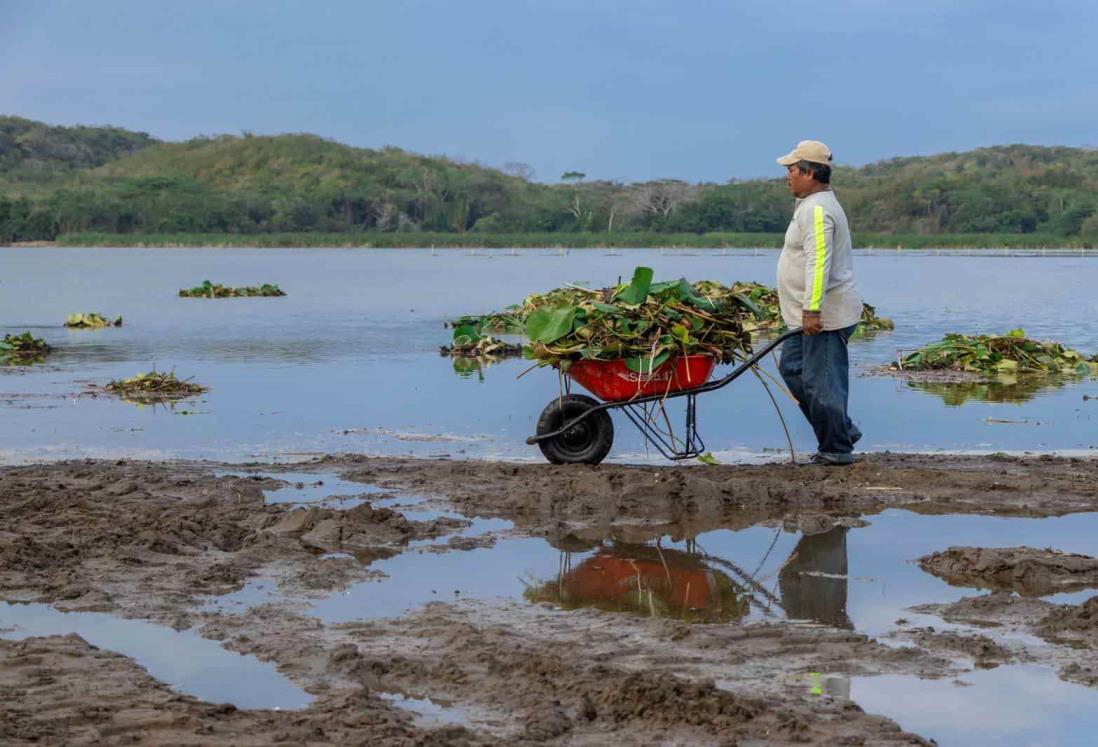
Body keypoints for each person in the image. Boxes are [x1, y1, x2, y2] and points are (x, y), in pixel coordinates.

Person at [774, 140, 862, 465]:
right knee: (792, 369)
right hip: (804, 317)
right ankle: (841, 431)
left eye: (792, 169)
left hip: (824, 317)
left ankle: (837, 450)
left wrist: (812, 309)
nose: (787, 175)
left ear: (810, 173)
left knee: (822, 384)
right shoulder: (810, 204)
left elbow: (819, 260)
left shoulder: (818, 209)